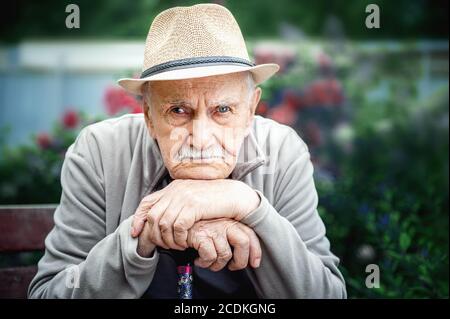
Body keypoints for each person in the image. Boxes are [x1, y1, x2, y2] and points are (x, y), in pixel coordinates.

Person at [28, 3, 346, 298]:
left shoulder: (281, 150)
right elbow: (49, 291)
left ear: (250, 110)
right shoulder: (99, 151)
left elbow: (327, 293)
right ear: (150, 116)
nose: (201, 138)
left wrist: (248, 206)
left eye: (222, 109)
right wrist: (143, 234)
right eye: (179, 111)